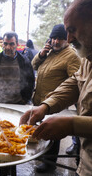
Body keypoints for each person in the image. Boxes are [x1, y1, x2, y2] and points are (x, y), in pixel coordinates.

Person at [20, 0, 92, 176]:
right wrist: (46, 106)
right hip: (87, 164)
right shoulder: (90, 53)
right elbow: (75, 82)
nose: (68, 39)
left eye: (73, 30)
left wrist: (72, 125)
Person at [31, 24, 81, 173]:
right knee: (41, 130)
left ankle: (49, 163)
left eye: (60, 38)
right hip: (40, 100)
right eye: (53, 38)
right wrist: (41, 54)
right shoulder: (50, 52)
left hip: (55, 102)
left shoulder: (71, 55)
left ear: (67, 39)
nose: (56, 41)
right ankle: (43, 156)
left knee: (52, 132)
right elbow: (34, 65)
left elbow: (75, 80)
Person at [0, 32, 35, 104]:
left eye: (11, 44)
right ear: (2, 44)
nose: (8, 47)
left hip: (18, 103)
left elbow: (30, 82)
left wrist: (26, 98)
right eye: (5, 44)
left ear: (17, 44)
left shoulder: (24, 61)